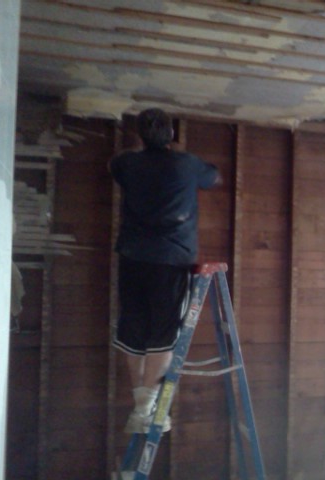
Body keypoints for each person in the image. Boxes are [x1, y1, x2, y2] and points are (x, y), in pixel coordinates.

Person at [110, 108, 221, 433]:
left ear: (140, 135)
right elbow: (215, 177)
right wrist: (180, 155)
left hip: (132, 258)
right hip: (171, 261)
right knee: (163, 335)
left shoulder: (128, 163)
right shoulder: (186, 164)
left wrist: (138, 149)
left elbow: (113, 165)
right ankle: (144, 410)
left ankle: (141, 409)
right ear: (171, 134)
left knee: (134, 331)